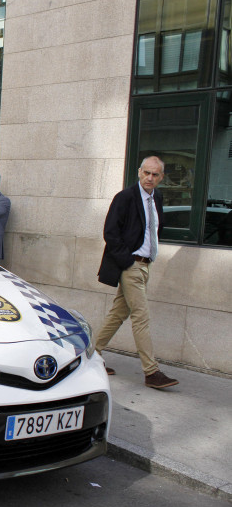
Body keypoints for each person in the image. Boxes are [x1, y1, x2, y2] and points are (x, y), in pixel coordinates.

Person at [94, 156, 178, 389]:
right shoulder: (125, 197)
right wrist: (128, 262)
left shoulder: (157, 197)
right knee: (141, 316)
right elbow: (110, 233)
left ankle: (89, 356)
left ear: (161, 177)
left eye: (155, 174)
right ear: (139, 172)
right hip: (131, 266)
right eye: (146, 173)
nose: (150, 178)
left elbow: (154, 229)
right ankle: (151, 372)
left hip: (145, 264)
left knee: (117, 314)